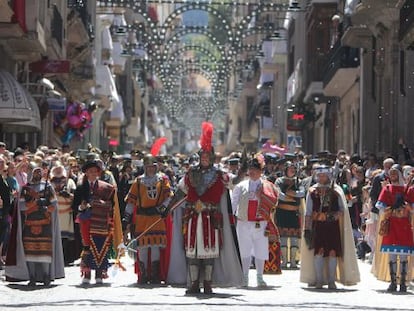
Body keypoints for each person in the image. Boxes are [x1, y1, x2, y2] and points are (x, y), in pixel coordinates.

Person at [167, 121, 243, 294]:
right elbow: (181, 193)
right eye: (203, 157)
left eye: (207, 157)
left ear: (211, 158)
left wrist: (243, 170)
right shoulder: (191, 174)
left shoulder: (219, 174)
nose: (205, 159)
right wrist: (167, 208)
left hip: (211, 217)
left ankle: (207, 283)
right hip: (193, 216)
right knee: (192, 252)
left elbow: (234, 182)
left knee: (209, 253)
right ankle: (194, 283)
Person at [300, 164, 360, 289]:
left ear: (328, 176)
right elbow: (308, 211)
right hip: (318, 227)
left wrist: (330, 216)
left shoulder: (336, 190)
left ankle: (332, 280)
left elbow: (342, 209)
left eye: (324, 175)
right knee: (319, 252)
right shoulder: (312, 191)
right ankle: (319, 280)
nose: (322, 178)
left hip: (332, 226)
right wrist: (307, 228)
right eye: (320, 175)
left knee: (333, 252)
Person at [5, 166, 65, 286]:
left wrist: (46, 208)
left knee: (45, 252)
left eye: (39, 171)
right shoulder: (26, 189)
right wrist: (34, 204)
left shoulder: (48, 188)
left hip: (45, 224)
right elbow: (21, 207)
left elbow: (54, 205)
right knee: (30, 253)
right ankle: (32, 277)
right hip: (29, 224)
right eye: (35, 171)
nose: (37, 173)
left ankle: (46, 276)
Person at [123, 154, 173, 285]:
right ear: (145, 167)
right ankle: (144, 275)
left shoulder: (163, 180)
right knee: (143, 246)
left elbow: (169, 197)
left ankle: (155, 275)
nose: (150, 169)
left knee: (155, 245)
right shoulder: (138, 181)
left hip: (156, 217)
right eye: (148, 167)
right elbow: (131, 201)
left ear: (156, 167)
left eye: (153, 166)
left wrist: (162, 208)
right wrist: (126, 218)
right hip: (142, 218)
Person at [231, 153, 280, 287]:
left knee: (261, 249)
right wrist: (231, 219)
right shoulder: (241, 186)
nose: (252, 172)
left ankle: (259, 276)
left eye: (256, 170)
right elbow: (233, 204)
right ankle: (245, 276)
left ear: (261, 172)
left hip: (261, 222)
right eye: (250, 170)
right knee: (244, 249)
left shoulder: (268, 186)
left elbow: (274, 202)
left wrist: (261, 197)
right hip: (243, 222)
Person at [73, 160, 123, 285]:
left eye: (95, 171)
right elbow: (74, 205)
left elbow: (112, 205)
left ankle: (99, 274)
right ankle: (87, 273)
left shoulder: (106, 188)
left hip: (101, 221)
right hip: (86, 221)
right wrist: (81, 207)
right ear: (86, 173)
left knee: (101, 246)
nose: (93, 174)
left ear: (98, 173)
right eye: (90, 172)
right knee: (87, 246)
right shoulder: (80, 187)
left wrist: (100, 204)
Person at [374, 165, 414, 292]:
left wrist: (407, 206)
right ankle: (393, 282)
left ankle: (403, 282)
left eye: (395, 173)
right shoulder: (387, 189)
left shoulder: (408, 190)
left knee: (403, 256)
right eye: (391, 173)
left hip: (403, 225)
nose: (392, 175)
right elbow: (380, 205)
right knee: (392, 256)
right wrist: (390, 209)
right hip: (391, 224)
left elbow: (412, 206)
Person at [275, 161, 305, 269]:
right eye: (290, 168)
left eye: (294, 169)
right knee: (282, 237)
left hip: (294, 213)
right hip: (282, 213)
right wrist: (290, 198)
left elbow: (302, 193)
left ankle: (293, 261)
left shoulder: (299, 182)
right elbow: (278, 194)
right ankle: (283, 261)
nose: (292, 170)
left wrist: (293, 194)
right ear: (286, 170)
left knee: (294, 238)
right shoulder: (279, 181)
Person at [50, 165, 77, 266]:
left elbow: (75, 198)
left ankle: (65, 258)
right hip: (54, 214)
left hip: (66, 214)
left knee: (65, 239)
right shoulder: (49, 184)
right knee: (54, 238)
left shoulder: (70, 183)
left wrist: (68, 195)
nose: (58, 180)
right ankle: (55, 258)